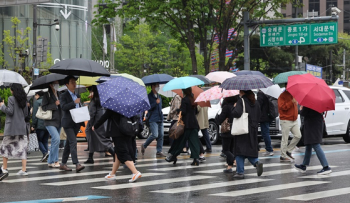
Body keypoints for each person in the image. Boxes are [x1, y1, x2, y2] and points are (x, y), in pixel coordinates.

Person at [93, 109, 142, 183]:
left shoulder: (114, 105)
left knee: (122, 152)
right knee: (117, 153)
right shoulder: (129, 104)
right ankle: (112, 174)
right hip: (128, 130)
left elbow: (105, 116)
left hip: (118, 132)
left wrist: (95, 126)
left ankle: (135, 172)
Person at [166, 87, 201, 166]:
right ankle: (196, 158)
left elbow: (183, 111)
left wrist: (179, 110)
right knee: (194, 142)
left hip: (186, 124)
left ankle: (173, 155)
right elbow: (196, 111)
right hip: (194, 123)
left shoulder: (185, 99)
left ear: (184, 91)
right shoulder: (193, 99)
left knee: (180, 141)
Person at [232, 90, 263, 179]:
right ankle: (256, 162)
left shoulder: (241, 101)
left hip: (243, 129)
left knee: (239, 151)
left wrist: (234, 107)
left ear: (242, 92)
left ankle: (240, 172)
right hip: (253, 130)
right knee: (249, 151)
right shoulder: (256, 102)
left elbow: (236, 113)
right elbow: (259, 115)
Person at [0, 83, 29, 176]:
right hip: (21, 127)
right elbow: (25, 114)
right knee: (22, 148)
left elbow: (10, 111)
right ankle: (24, 170)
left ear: (13, 90)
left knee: (5, 147)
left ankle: (4, 168)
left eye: (11, 89)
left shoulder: (11, 99)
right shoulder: (24, 100)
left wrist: (2, 106)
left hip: (11, 128)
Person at [294, 106, 332, 175]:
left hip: (312, 126)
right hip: (315, 125)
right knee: (308, 145)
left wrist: (301, 109)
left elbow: (303, 113)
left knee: (315, 145)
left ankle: (326, 167)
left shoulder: (309, 103)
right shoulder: (318, 102)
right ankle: (304, 165)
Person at [59, 75, 85, 172]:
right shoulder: (63, 95)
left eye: (75, 82)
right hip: (68, 122)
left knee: (69, 144)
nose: (74, 84)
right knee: (73, 142)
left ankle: (63, 164)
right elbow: (63, 107)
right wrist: (74, 102)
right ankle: (77, 164)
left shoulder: (77, 95)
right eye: (72, 82)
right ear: (67, 84)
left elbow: (79, 107)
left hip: (76, 122)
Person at [84, 86, 114, 164]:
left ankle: (115, 154)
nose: (90, 92)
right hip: (103, 123)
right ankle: (90, 157)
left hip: (95, 123)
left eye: (91, 91)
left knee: (103, 140)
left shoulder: (94, 101)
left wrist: (91, 124)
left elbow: (92, 113)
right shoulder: (103, 100)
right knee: (93, 139)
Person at [141, 83, 166, 157]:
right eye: (156, 86)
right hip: (153, 118)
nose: (158, 87)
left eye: (158, 86)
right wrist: (155, 103)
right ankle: (144, 145)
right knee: (155, 135)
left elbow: (160, 108)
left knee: (161, 135)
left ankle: (159, 151)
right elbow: (148, 107)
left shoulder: (159, 96)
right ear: (152, 87)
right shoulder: (149, 96)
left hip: (160, 118)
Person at [215, 96, 239, 173]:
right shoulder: (236, 106)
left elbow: (220, 120)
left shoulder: (226, 107)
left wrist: (217, 116)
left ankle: (234, 160)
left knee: (225, 150)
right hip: (234, 129)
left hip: (227, 130)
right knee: (231, 149)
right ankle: (229, 167)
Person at [278, 88, 302, 162]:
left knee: (298, 135)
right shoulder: (282, 96)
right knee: (285, 139)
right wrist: (291, 102)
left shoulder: (294, 95)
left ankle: (288, 150)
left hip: (294, 119)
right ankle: (283, 155)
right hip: (285, 120)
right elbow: (282, 107)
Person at [42, 80, 62, 168]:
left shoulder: (60, 94)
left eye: (58, 83)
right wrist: (55, 104)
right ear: (50, 85)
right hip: (50, 121)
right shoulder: (47, 95)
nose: (57, 85)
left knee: (56, 141)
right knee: (56, 139)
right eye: (55, 83)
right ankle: (54, 160)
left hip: (59, 120)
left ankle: (52, 161)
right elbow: (44, 107)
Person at [32, 91, 50, 162]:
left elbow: (35, 115)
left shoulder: (37, 102)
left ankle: (45, 152)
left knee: (38, 141)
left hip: (40, 125)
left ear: (38, 95)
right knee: (45, 140)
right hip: (48, 124)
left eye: (35, 95)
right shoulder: (47, 102)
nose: (35, 97)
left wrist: (33, 125)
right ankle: (46, 154)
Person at [257, 90, 274, 156]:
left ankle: (269, 149)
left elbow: (258, 105)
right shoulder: (268, 93)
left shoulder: (260, 94)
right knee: (266, 133)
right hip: (269, 116)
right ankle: (268, 149)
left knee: (265, 133)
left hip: (264, 117)